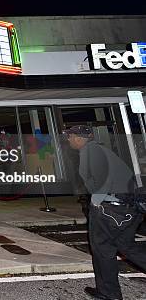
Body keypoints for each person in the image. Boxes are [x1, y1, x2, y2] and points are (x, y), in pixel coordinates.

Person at [66, 125, 146, 300]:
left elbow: (102, 179)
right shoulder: (97, 149)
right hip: (126, 208)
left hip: (111, 209)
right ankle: (108, 292)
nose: (69, 140)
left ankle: (109, 293)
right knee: (127, 247)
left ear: (78, 138)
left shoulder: (92, 151)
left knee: (102, 249)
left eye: (70, 137)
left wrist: (95, 203)